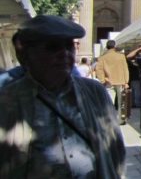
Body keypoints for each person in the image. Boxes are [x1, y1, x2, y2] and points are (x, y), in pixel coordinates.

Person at [0, 15, 125, 177]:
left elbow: (115, 150)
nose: (64, 53)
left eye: (69, 46)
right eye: (53, 47)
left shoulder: (95, 92)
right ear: (25, 55)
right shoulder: (7, 101)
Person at [96, 39, 130, 124]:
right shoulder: (121, 56)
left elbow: (98, 70)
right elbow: (125, 69)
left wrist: (103, 80)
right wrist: (126, 81)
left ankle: (110, 119)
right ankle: (121, 119)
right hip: (121, 81)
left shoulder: (103, 57)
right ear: (114, 46)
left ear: (107, 47)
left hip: (108, 82)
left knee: (109, 102)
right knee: (121, 102)